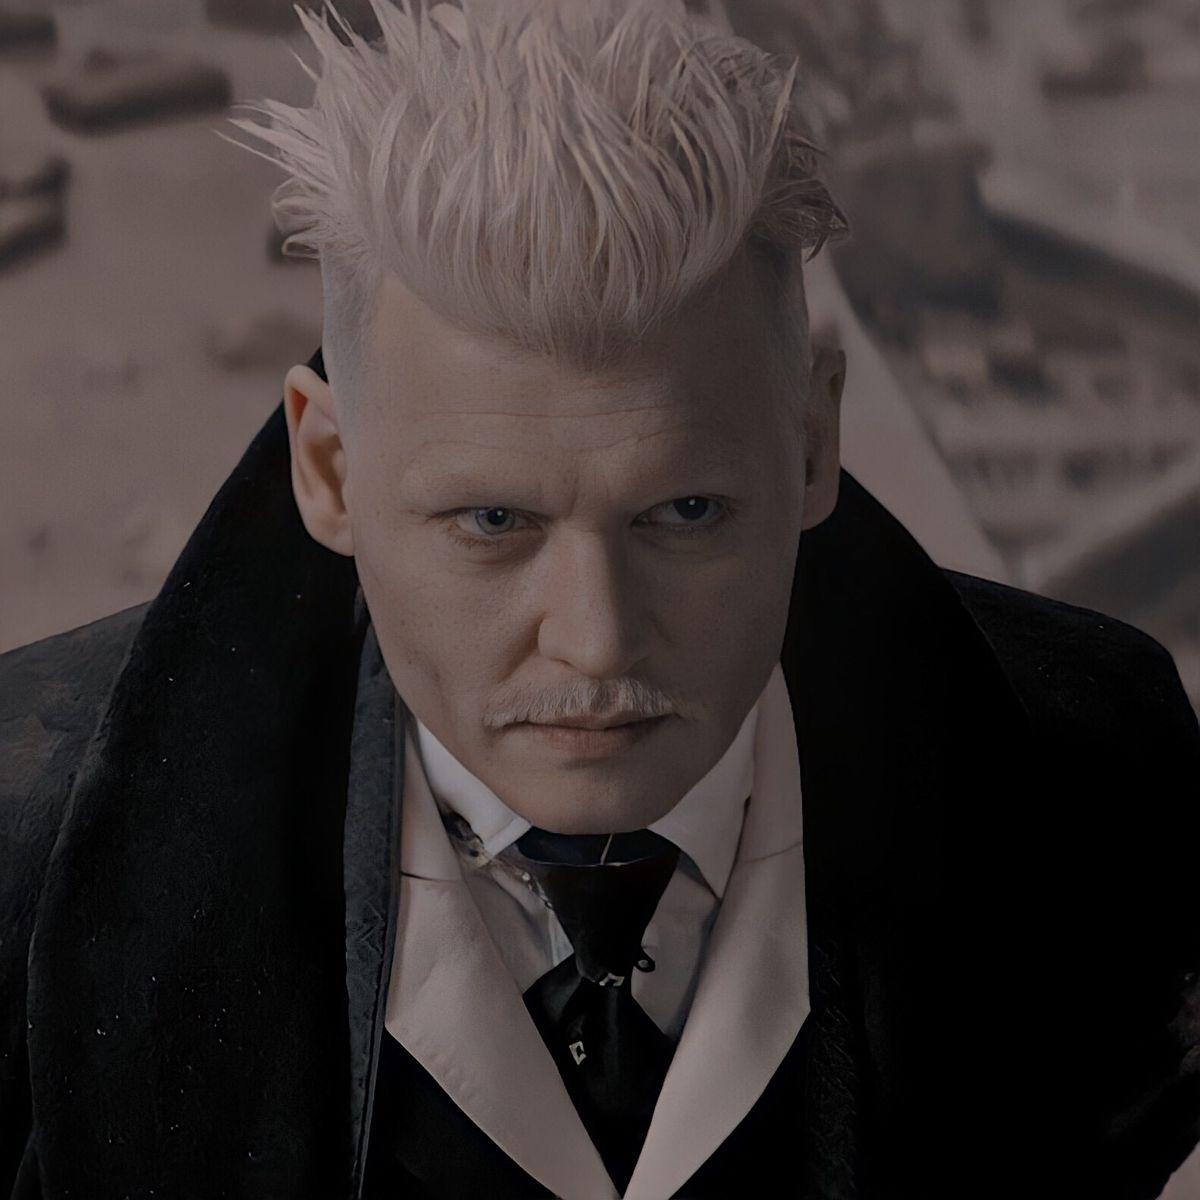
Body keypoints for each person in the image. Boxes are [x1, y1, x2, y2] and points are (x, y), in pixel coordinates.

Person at [2, 1, 1198, 1197]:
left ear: (814, 440)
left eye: (686, 512)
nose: (597, 640)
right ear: (327, 471)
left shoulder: (1113, 794)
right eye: (492, 523)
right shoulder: (21, 866)